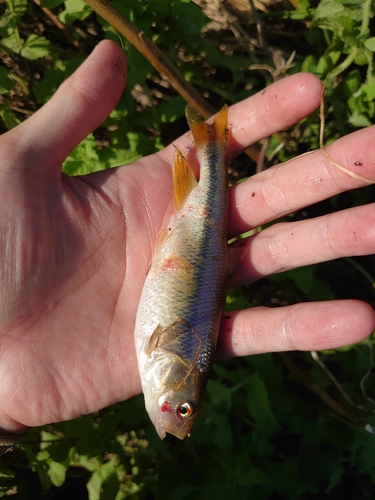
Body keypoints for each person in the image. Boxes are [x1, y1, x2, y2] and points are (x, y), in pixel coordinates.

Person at [0, 40, 374, 445]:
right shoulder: (166, 352)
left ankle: (211, 149)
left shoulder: (160, 361)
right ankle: (212, 148)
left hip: (191, 246)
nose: (174, 414)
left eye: (182, 411)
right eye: (183, 408)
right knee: (203, 194)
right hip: (194, 244)